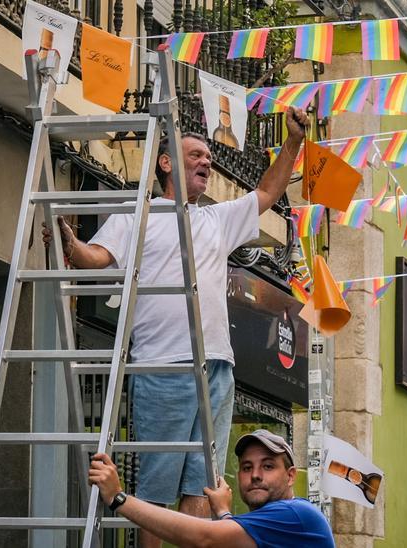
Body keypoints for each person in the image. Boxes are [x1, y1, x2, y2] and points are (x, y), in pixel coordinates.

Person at [49, 107, 309, 548]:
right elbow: (94, 257)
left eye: (209, 156)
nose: (207, 161)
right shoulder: (138, 216)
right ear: (166, 161)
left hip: (218, 368)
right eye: (196, 154)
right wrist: (70, 243)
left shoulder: (215, 219)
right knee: (154, 491)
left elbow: (268, 191)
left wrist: (294, 141)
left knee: (203, 489)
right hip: (163, 365)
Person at [87, 429, 334, 548]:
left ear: (291, 476)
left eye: (268, 466)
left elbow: (204, 537)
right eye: (247, 467)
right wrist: (225, 514)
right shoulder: (272, 525)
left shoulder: (295, 514)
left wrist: (118, 498)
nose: (256, 475)